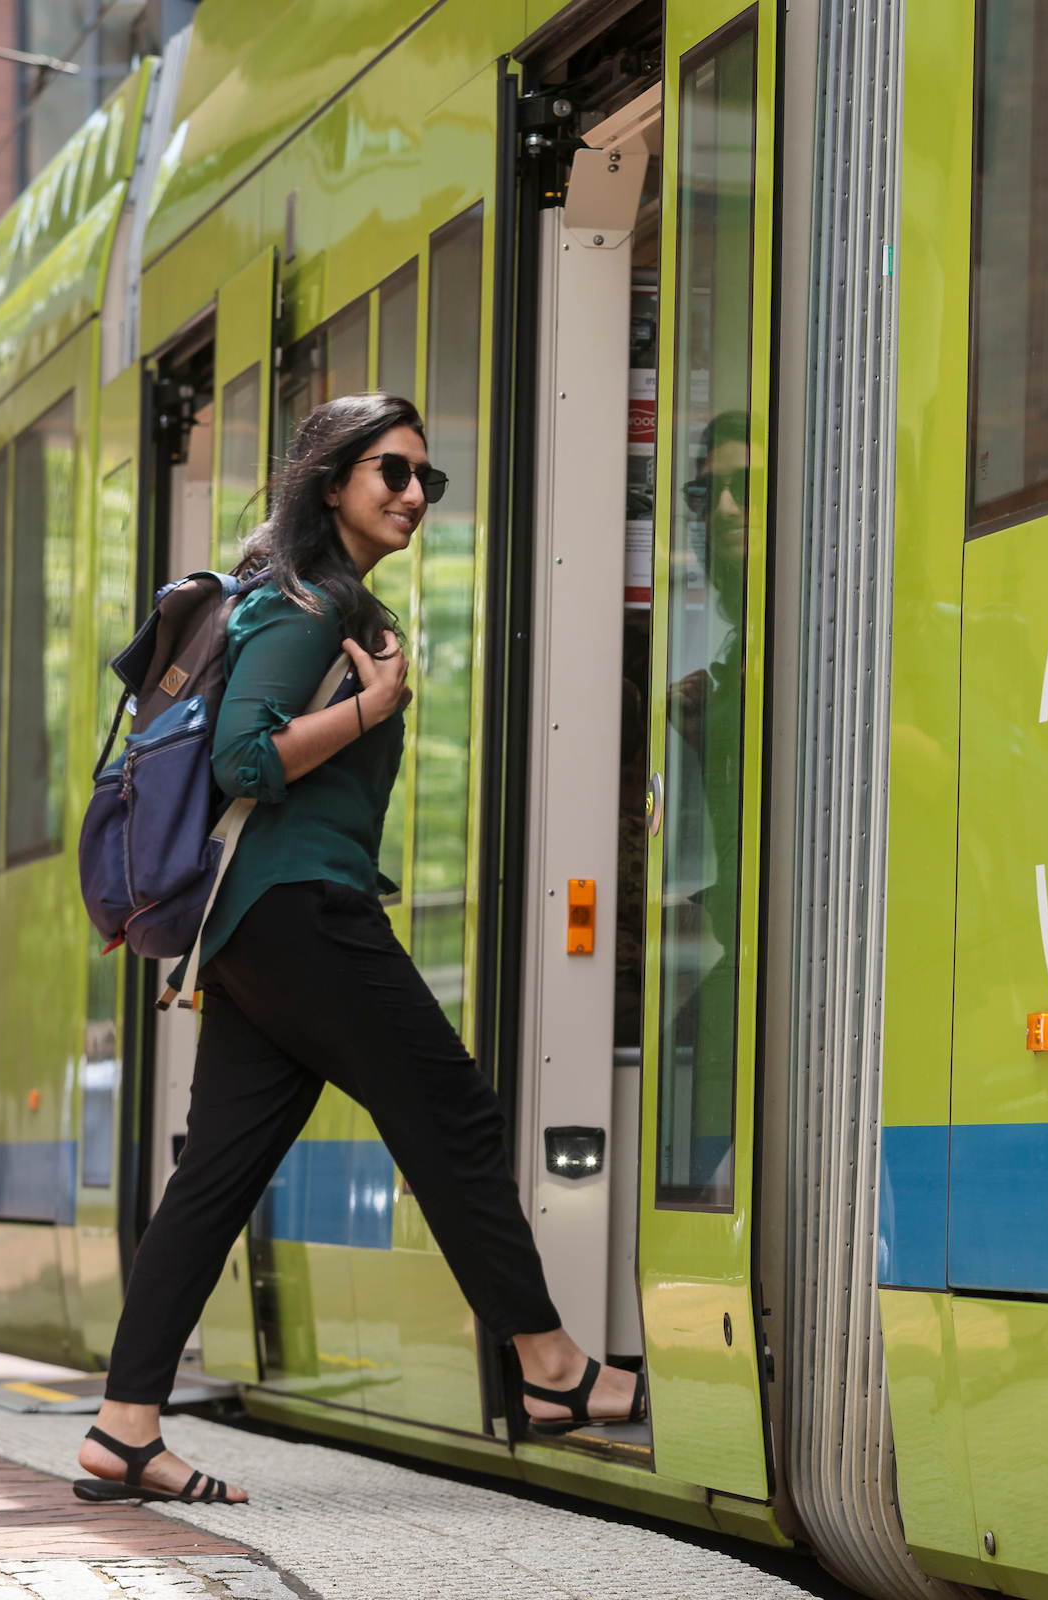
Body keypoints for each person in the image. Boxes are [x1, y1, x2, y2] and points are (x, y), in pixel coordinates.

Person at [73, 392, 642, 1508]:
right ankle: (553, 1369)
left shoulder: (311, 599)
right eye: (393, 470)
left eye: (430, 478)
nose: (415, 495)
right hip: (302, 914)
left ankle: (124, 1425)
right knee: (454, 1112)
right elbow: (244, 761)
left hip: (255, 930)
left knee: (217, 1175)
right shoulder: (303, 606)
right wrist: (372, 708)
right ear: (331, 480)